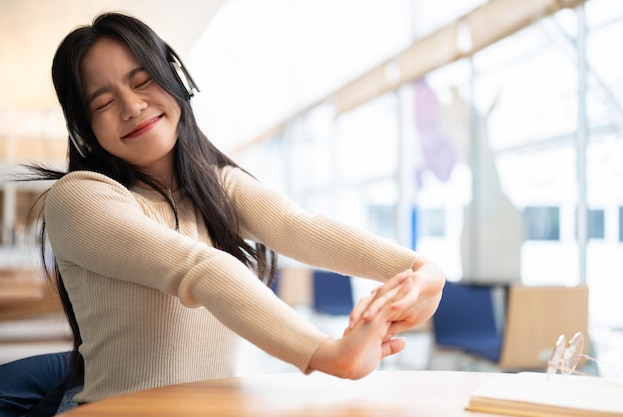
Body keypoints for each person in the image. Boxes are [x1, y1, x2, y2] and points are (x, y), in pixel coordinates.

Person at [17, 12, 445, 415]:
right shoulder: (80, 198)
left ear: (177, 79)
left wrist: (417, 271)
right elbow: (201, 268)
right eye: (103, 102)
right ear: (84, 126)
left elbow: (300, 228)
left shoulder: (216, 185)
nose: (132, 106)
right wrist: (329, 354)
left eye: (143, 80)